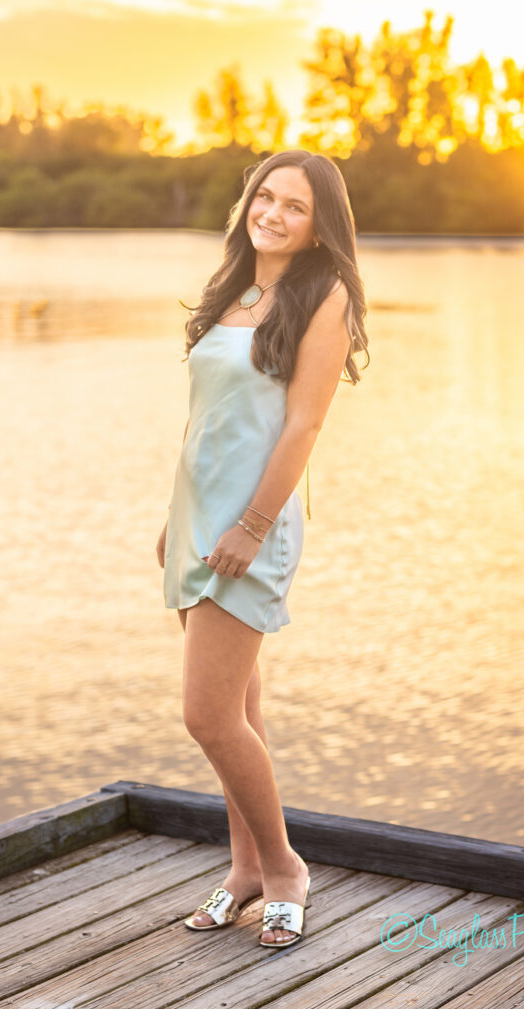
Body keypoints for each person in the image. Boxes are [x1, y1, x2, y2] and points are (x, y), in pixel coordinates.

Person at [156, 149, 369, 949]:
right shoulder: (234, 291)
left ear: (320, 227)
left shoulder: (324, 294)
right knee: (240, 708)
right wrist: (172, 519)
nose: (272, 214)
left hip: (252, 525)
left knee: (207, 715)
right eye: (265, 196)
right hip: (196, 520)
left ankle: (284, 869)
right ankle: (243, 869)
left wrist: (248, 525)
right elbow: (207, 418)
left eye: (294, 207)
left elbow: (303, 425)